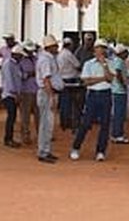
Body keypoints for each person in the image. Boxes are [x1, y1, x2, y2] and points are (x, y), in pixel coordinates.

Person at [71, 39, 114, 162]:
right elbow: (86, 81)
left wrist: (104, 65)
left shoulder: (110, 63)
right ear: (95, 50)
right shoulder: (88, 64)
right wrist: (101, 78)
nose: (101, 50)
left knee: (105, 123)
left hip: (106, 93)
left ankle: (101, 151)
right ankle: (76, 147)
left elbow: (110, 79)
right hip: (93, 94)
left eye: (103, 48)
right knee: (86, 122)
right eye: (99, 48)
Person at [36, 34, 64, 164]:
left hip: (49, 92)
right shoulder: (46, 60)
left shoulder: (49, 58)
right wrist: (51, 96)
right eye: (55, 45)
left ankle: (46, 149)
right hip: (47, 93)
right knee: (46, 123)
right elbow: (46, 79)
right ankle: (43, 151)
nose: (57, 47)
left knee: (48, 123)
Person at [1, 45, 25, 148]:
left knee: (13, 117)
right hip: (10, 94)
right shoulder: (8, 64)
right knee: (11, 117)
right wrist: (16, 94)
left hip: (14, 94)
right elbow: (9, 81)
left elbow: (19, 76)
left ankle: (9, 138)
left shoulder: (16, 64)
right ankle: (8, 139)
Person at [57, 37, 82, 131]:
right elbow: (77, 65)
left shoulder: (60, 54)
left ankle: (63, 122)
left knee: (63, 102)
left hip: (62, 79)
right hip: (70, 80)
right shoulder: (68, 54)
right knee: (70, 103)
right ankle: (69, 122)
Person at [17, 41, 40, 145]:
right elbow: (19, 75)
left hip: (37, 89)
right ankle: (25, 135)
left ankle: (41, 134)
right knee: (25, 115)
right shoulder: (20, 61)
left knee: (38, 114)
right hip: (25, 90)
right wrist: (30, 74)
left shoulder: (37, 59)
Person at [110, 45, 129, 145]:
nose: (128, 54)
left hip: (116, 89)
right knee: (120, 113)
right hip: (119, 90)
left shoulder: (116, 60)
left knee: (117, 113)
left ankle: (115, 133)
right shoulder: (119, 61)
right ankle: (118, 135)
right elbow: (118, 73)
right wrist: (123, 84)